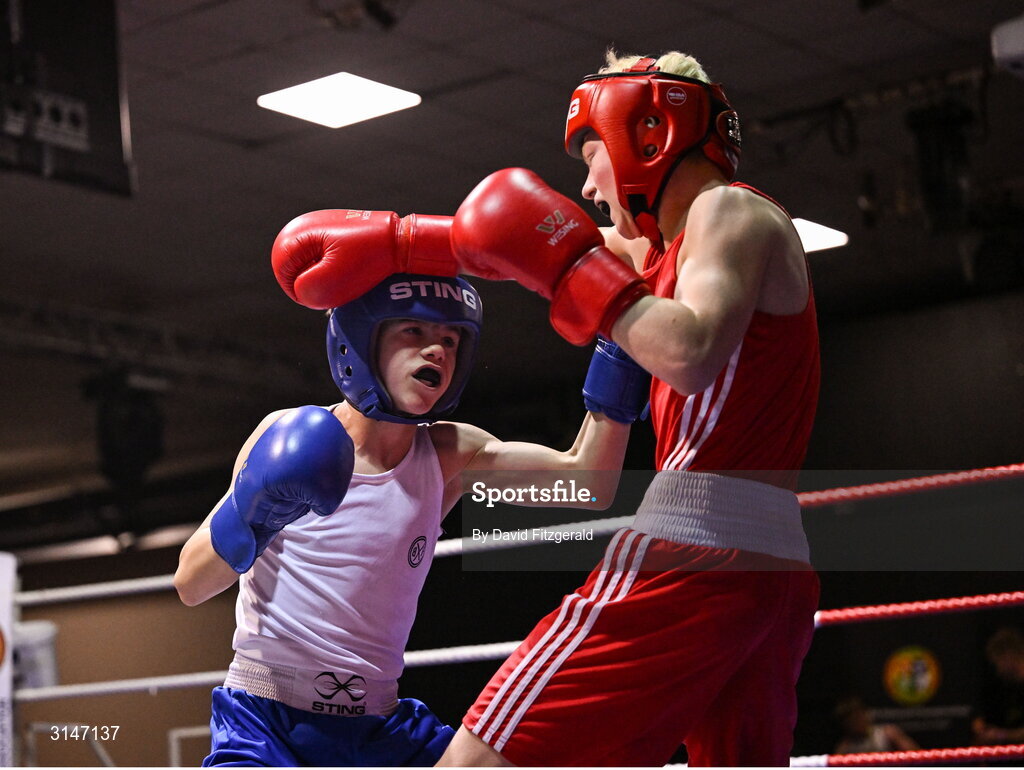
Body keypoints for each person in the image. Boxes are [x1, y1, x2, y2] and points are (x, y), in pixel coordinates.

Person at [428, 49, 822, 767]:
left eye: (591, 153)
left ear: (648, 136)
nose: (585, 182)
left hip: (695, 544)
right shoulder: (669, 248)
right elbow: (502, 240)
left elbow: (691, 354)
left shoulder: (727, 211)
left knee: (476, 762)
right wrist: (396, 241)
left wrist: (572, 269)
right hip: (774, 563)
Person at [173, 270, 644, 767]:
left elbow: (590, 484)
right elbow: (189, 583)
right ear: (364, 340)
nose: (437, 350)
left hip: (380, 728)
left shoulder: (449, 454)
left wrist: (622, 339)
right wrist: (255, 513)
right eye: (414, 332)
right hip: (265, 723)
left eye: (449, 338)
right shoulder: (285, 434)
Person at [972, 627, 1024, 746]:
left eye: (997, 662)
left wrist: (1000, 735)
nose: (998, 670)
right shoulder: (1006, 687)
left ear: (1009, 656)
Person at [833, 696, 919, 754]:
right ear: (846, 724)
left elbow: (916, 756)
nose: (857, 722)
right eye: (852, 720)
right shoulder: (844, 748)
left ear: (865, 714)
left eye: (859, 717)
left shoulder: (887, 733)